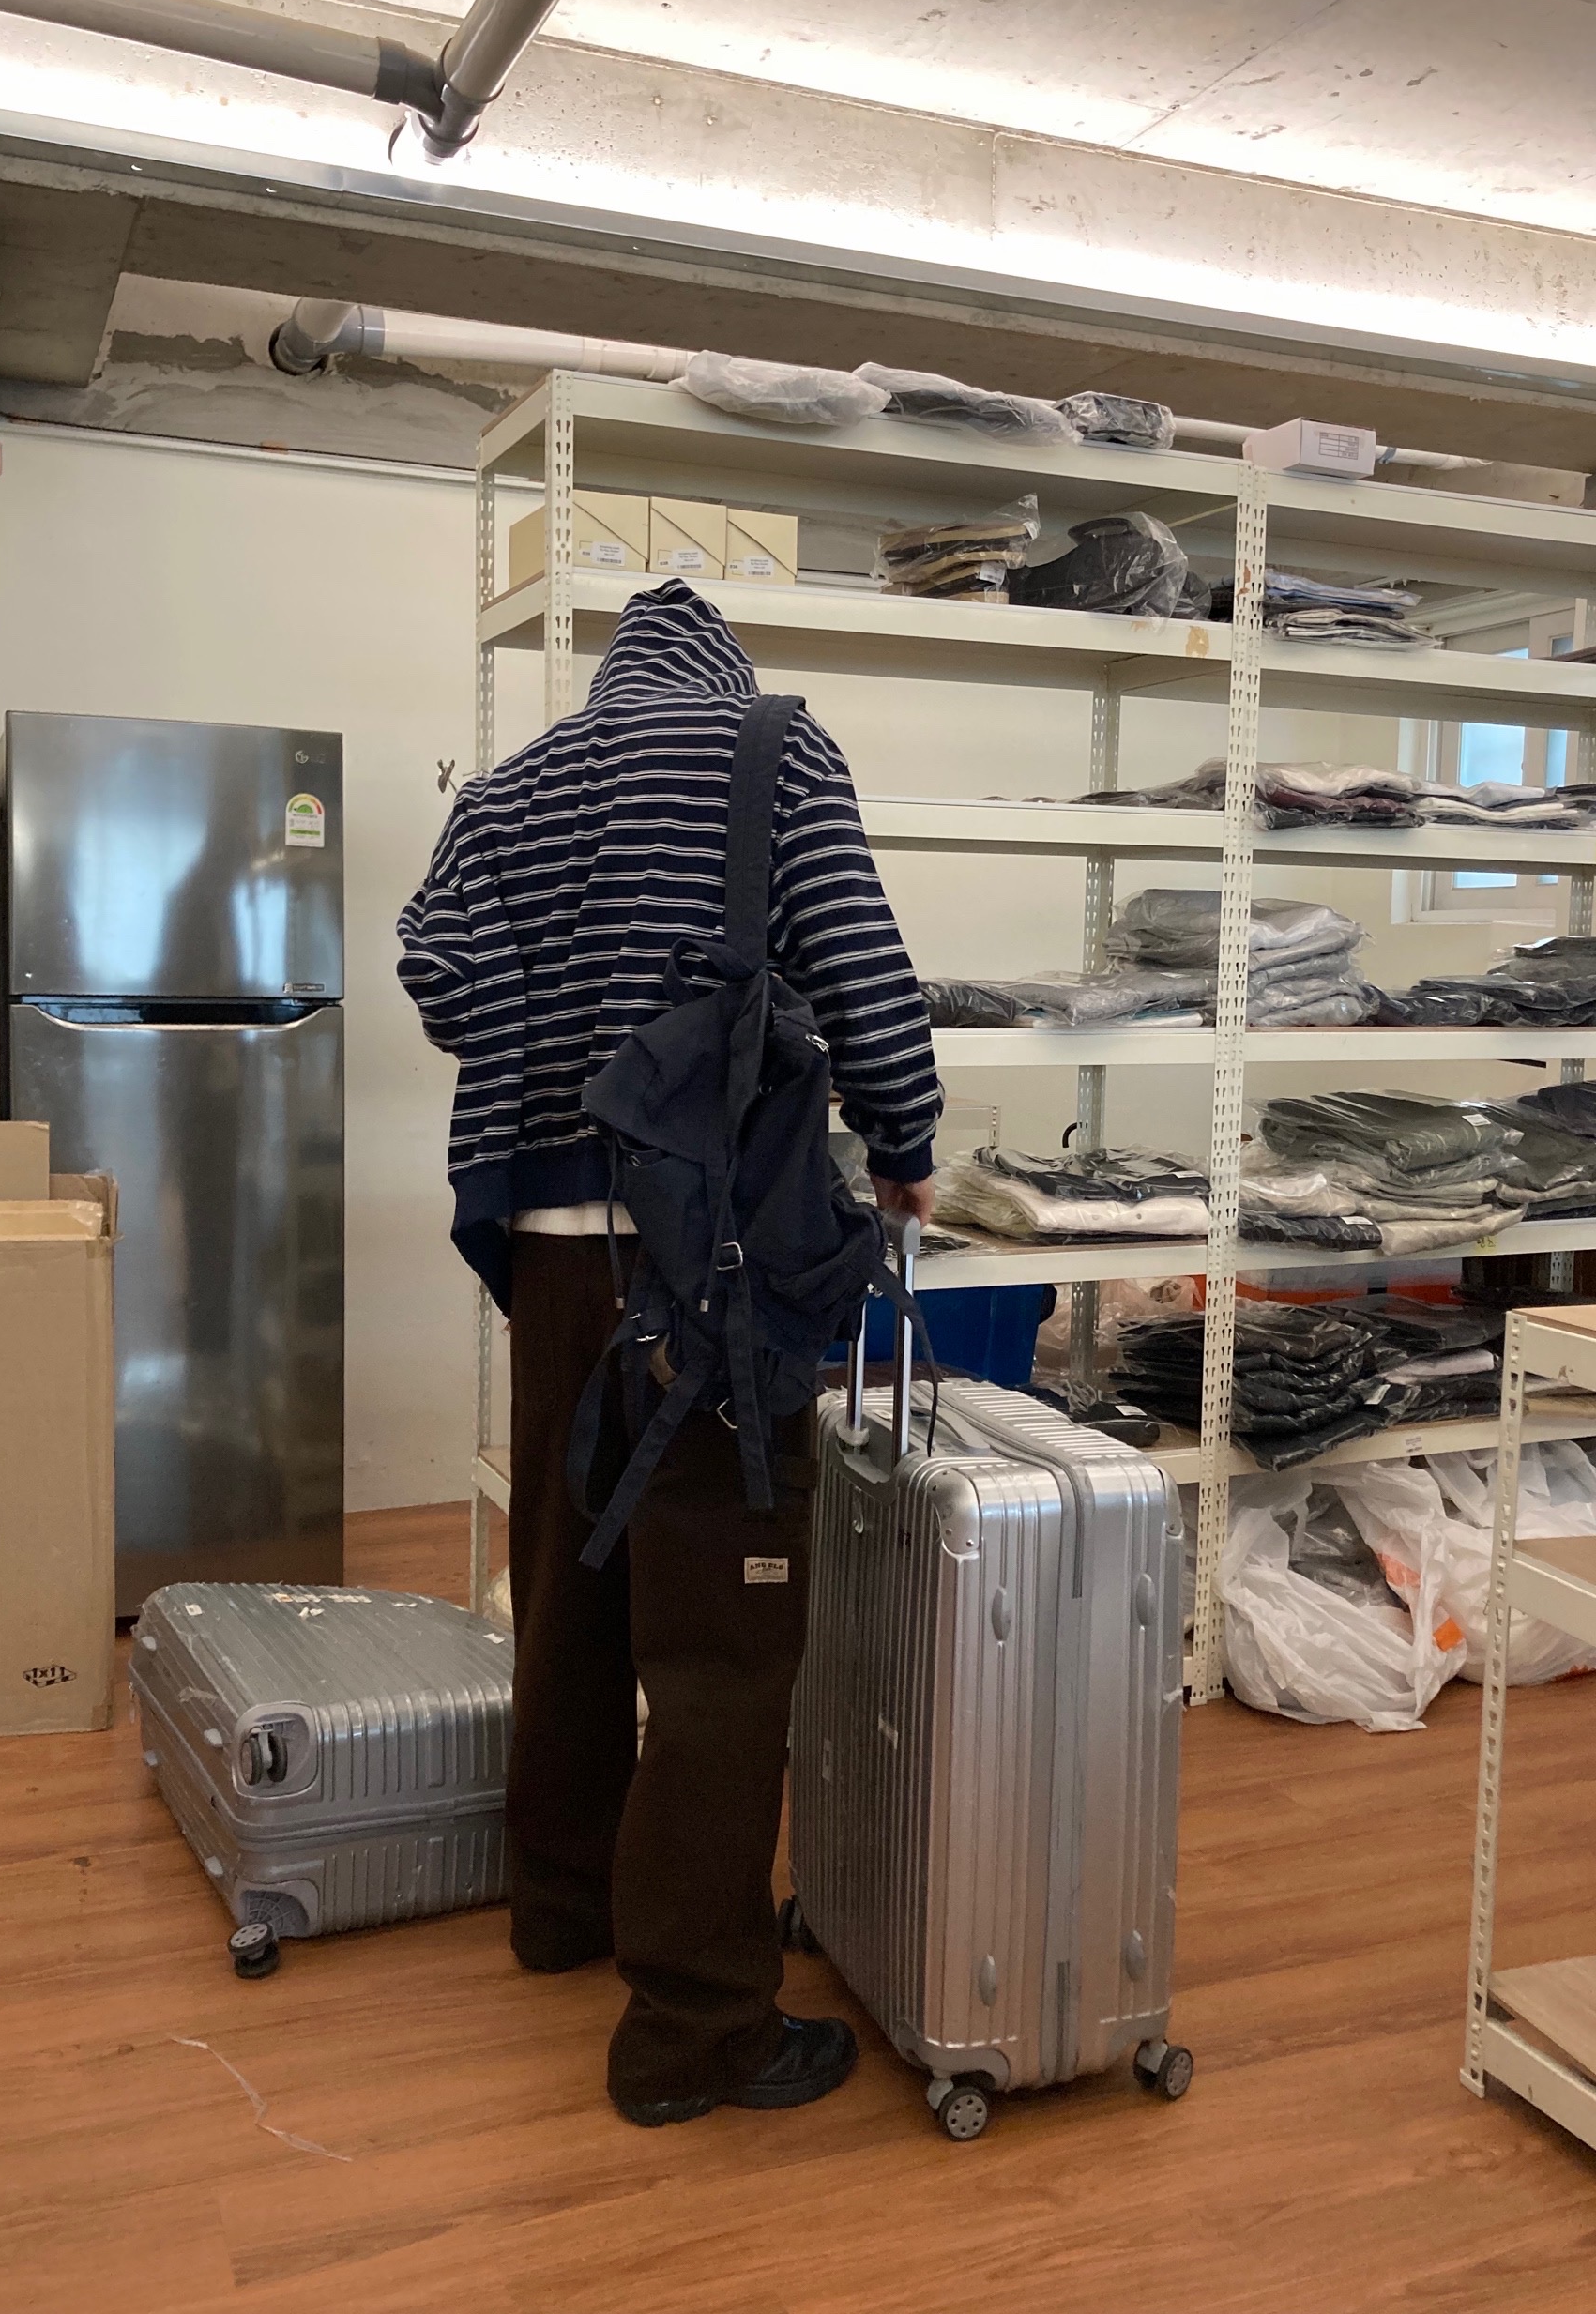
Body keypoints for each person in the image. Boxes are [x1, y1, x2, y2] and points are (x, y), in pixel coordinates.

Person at [398, 579, 939, 2126]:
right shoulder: (774, 748)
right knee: (722, 1639)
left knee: (573, 1582)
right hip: (711, 1264)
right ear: (725, 671)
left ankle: (563, 1908)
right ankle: (697, 2028)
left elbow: (436, 963)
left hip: (551, 1257)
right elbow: (860, 963)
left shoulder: (511, 786)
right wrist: (903, 1139)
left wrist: (549, 1051)